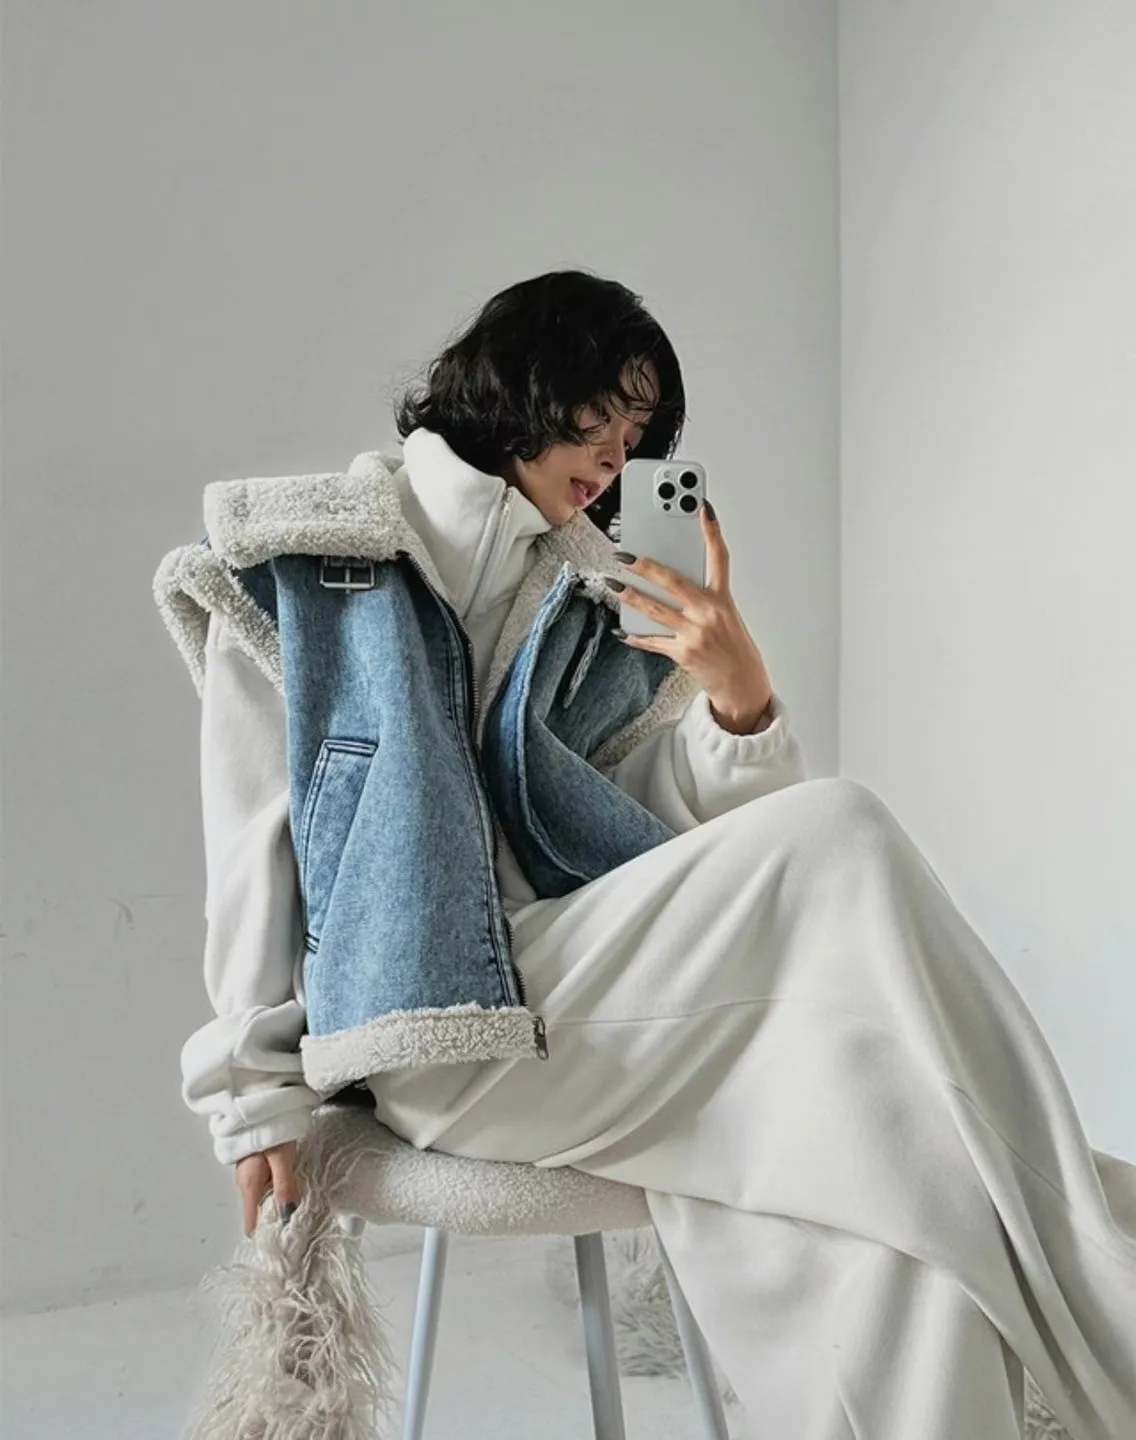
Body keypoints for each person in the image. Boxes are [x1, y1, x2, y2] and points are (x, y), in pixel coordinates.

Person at [172, 270, 1135, 1439]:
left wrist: (739, 704)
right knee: (840, 832)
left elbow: (662, 838)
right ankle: (1102, 1266)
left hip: (597, 998)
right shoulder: (309, 566)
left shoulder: (585, 598)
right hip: (435, 1032)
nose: (615, 458)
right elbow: (252, 853)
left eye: (636, 437)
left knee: (895, 1170)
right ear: (522, 381)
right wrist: (254, 1101)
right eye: (603, 415)